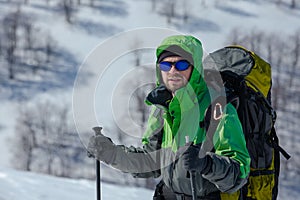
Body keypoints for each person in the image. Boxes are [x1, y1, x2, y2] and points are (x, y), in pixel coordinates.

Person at [87, 35, 250, 199]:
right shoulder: (162, 108)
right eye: (166, 65)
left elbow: (239, 173)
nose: (173, 71)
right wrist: (111, 153)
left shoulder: (218, 108)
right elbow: (150, 162)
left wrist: (206, 164)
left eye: (181, 64)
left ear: (195, 69)